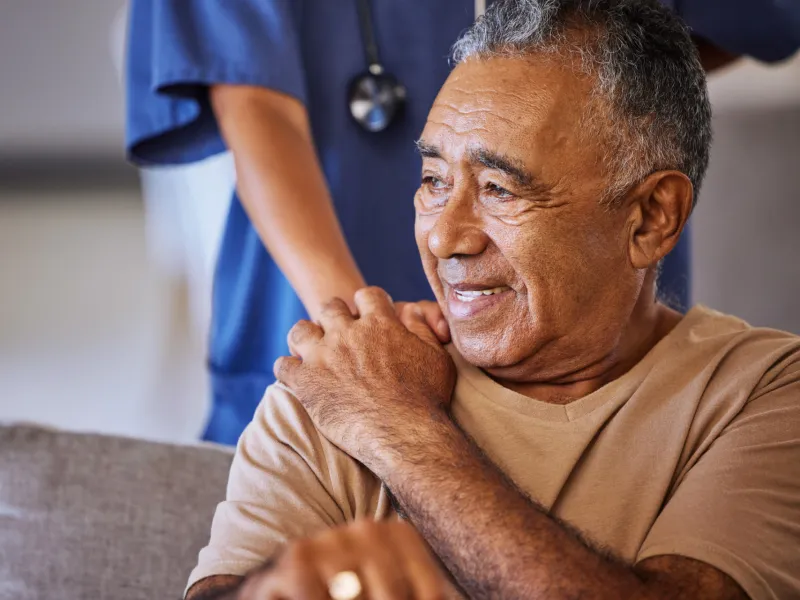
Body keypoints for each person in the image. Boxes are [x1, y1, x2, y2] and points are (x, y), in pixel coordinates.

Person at [184, 1, 800, 598]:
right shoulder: (341, 382)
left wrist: (402, 432)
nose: (445, 237)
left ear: (649, 218)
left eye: (500, 189)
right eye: (433, 181)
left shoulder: (763, 391)